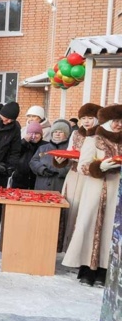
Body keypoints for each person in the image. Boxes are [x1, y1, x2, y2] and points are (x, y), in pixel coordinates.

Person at [61, 105, 122, 287]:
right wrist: (99, 167)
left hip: (116, 193)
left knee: (110, 231)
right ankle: (87, 269)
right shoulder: (93, 140)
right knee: (89, 227)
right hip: (95, 190)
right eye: (116, 121)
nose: (119, 124)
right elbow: (82, 166)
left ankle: (105, 270)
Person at [57, 103, 102, 253]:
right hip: (74, 174)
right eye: (83, 118)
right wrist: (61, 160)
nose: (86, 121)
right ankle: (66, 246)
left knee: (85, 211)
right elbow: (69, 152)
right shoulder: (76, 134)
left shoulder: (101, 135)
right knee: (70, 208)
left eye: (90, 118)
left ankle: (82, 250)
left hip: (92, 177)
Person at [0, 102, 22, 248]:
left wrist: (9, 167)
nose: (6, 122)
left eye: (10, 120)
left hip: (2, 170)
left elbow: (15, 151)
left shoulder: (15, 128)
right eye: (5, 118)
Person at [30, 119, 71, 192]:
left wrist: (60, 171)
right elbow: (33, 162)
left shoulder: (69, 150)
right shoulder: (43, 148)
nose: (57, 134)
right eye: (55, 132)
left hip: (60, 186)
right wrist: (42, 169)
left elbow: (72, 166)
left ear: (66, 134)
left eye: (61, 132)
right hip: (42, 185)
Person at [10, 122, 45, 189]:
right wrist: (24, 142)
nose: (34, 136)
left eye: (37, 133)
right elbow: (14, 153)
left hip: (37, 180)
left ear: (41, 134)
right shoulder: (22, 144)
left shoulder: (45, 146)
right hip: (20, 180)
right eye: (31, 133)